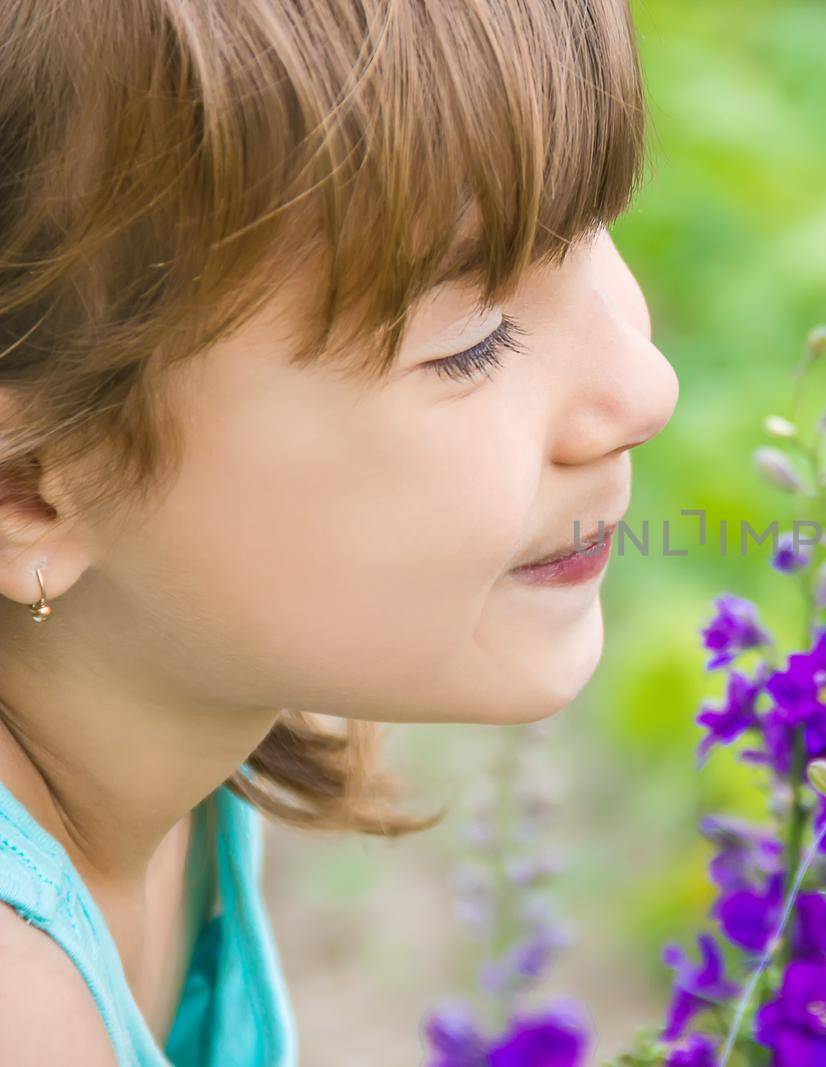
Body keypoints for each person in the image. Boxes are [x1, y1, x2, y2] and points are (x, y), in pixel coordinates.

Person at [0, 1, 677, 1063]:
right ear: (26, 485)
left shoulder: (164, 691)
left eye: (593, 230)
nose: (645, 386)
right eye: (473, 339)